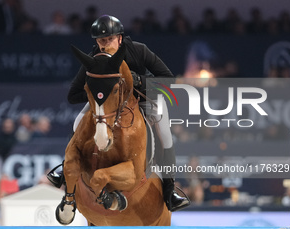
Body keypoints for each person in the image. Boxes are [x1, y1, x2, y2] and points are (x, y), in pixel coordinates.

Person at [47, 15, 189, 212]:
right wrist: (95, 91)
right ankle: (65, 168)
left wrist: (138, 80)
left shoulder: (138, 50)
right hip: (109, 105)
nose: (104, 45)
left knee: (165, 133)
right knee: (78, 121)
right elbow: (73, 95)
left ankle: (169, 189)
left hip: (144, 99)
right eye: (100, 41)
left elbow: (169, 80)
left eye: (109, 40)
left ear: (120, 38)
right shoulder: (94, 58)